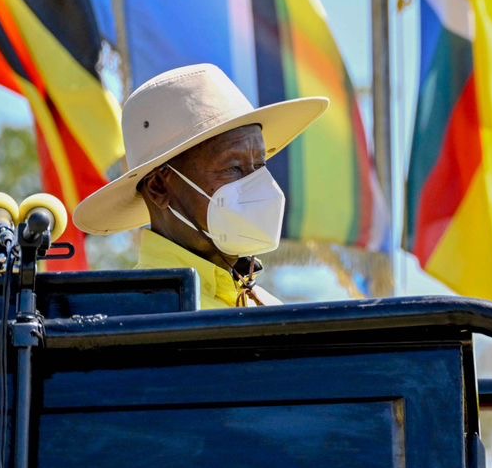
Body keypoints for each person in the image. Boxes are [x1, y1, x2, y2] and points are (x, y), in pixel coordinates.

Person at [74, 63, 327, 308]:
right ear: (158, 187)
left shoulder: (267, 306)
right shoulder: (137, 314)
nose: (257, 185)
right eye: (233, 168)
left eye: (259, 166)